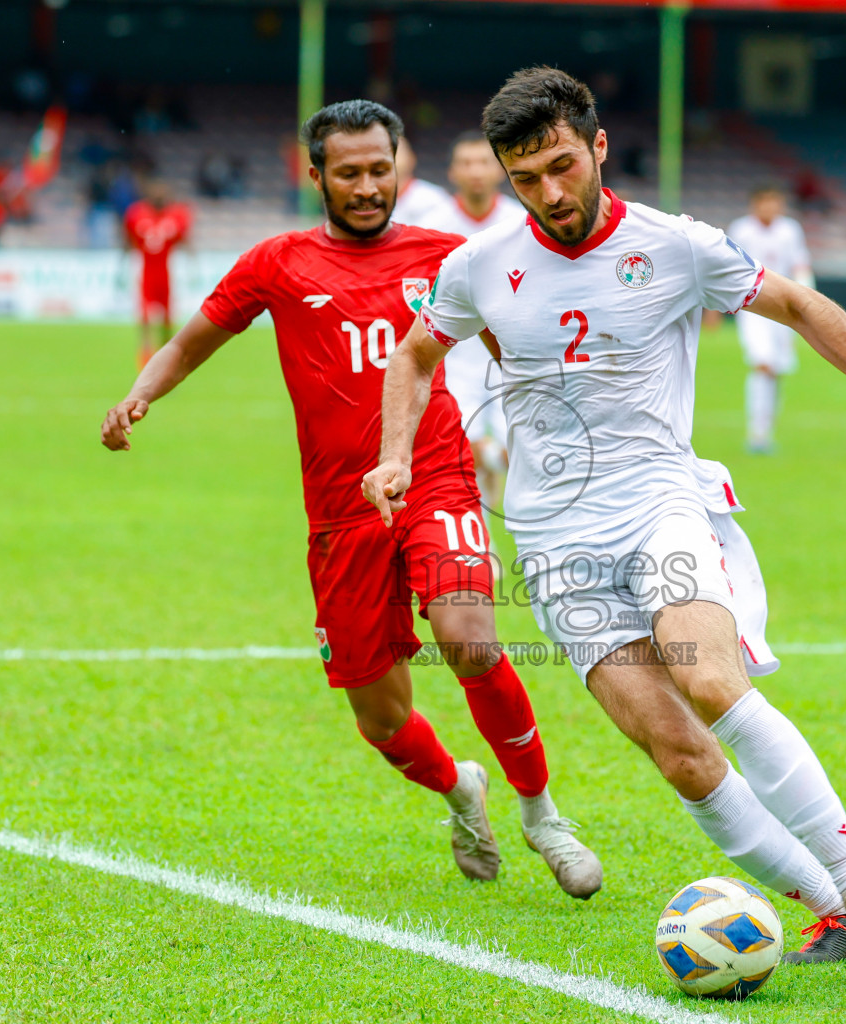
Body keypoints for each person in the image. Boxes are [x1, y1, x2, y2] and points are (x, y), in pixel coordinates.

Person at [365, 68, 846, 966]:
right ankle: (831, 910)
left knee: (714, 683)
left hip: (661, 506)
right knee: (679, 753)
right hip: (554, 542)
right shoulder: (478, 266)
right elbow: (414, 356)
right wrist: (394, 453)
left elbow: (801, 304)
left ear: (598, 146)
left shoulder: (678, 245)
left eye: (563, 167)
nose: (550, 194)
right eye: (526, 179)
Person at [99, 99, 601, 900]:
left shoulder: (450, 255)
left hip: (434, 474)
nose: (368, 187)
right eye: (350, 174)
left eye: (381, 170)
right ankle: (458, 789)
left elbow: (522, 344)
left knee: (470, 638)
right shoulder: (278, 262)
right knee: (381, 719)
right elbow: (195, 338)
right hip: (339, 514)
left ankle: (542, 815)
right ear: (317, 177)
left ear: (399, 167)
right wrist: (139, 395)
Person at [410, 131, 525, 523]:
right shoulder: (431, 225)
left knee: (525, 450)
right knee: (460, 449)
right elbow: (416, 292)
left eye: (484, 162)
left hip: (511, 351)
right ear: (452, 171)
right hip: (454, 353)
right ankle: (481, 548)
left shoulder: (521, 221)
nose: (476, 171)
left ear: (500, 170)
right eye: (467, 163)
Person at [727, 185, 814, 453]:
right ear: (755, 204)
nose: (770, 208)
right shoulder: (741, 230)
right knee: (762, 363)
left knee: (776, 369)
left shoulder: (790, 230)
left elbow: (800, 265)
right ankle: (757, 435)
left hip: (783, 308)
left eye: (775, 203)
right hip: (752, 308)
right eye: (765, 202)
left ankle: (766, 430)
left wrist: (807, 300)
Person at [122, 179, 191, 368]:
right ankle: (145, 361)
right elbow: (129, 240)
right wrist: (121, 265)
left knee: (167, 322)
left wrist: (193, 264)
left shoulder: (176, 215)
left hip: (165, 275)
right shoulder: (137, 214)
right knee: (145, 319)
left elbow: (184, 240)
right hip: (146, 274)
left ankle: (165, 362)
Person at [389, 133, 448, 227]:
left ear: (412, 159)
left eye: (396, 152)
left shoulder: (435, 198)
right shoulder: (369, 198)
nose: (390, 158)